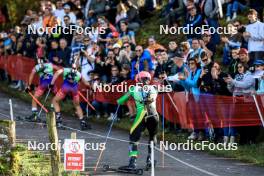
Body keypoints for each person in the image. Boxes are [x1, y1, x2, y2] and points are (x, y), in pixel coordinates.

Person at [117, 71, 158, 170]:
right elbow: (152, 98)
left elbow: (121, 101)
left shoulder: (133, 88)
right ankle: (150, 159)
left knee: (133, 137)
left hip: (142, 115)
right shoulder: (154, 88)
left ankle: (133, 162)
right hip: (154, 116)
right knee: (152, 137)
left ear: (137, 80)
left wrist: (121, 98)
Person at [50, 63, 91, 130]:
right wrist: (90, 87)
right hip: (74, 89)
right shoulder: (79, 74)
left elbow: (57, 72)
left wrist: (51, 84)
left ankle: (59, 121)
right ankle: (83, 123)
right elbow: (86, 83)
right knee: (77, 106)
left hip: (65, 87)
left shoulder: (66, 70)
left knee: (55, 101)